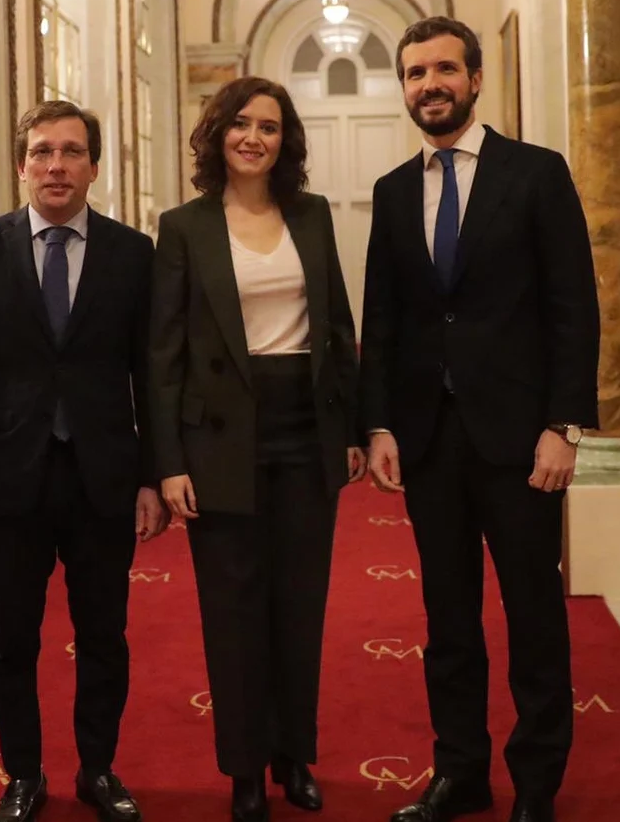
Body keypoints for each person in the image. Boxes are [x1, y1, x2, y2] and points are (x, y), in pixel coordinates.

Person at [360, 17, 600, 822]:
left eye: (443, 70)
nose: (429, 84)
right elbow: (384, 320)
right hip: (430, 440)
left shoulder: (536, 174)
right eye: (414, 73)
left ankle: (536, 784)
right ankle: (458, 771)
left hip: (522, 439)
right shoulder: (394, 193)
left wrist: (564, 424)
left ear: (475, 77)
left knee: (533, 613)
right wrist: (381, 425)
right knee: (448, 619)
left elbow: (574, 306)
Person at [0, 100, 168, 822]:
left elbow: (149, 374)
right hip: (9, 476)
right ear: (21, 164)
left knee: (103, 632)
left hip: (103, 475)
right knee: (10, 636)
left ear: (95, 166)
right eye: (41, 151)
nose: (55, 165)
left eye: (70, 152)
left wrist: (155, 475)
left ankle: (98, 770)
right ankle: (24, 775)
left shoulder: (133, 254)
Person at [147, 76, 365, 822]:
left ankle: (294, 755)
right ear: (218, 134)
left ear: (285, 141)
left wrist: (357, 428)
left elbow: (338, 325)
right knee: (234, 612)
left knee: (301, 605)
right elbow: (163, 353)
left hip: (306, 429)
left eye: (269, 127)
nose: (253, 137)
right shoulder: (184, 226)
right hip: (219, 440)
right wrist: (169, 459)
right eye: (240, 124)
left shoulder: (313, 215)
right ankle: (244, 770)